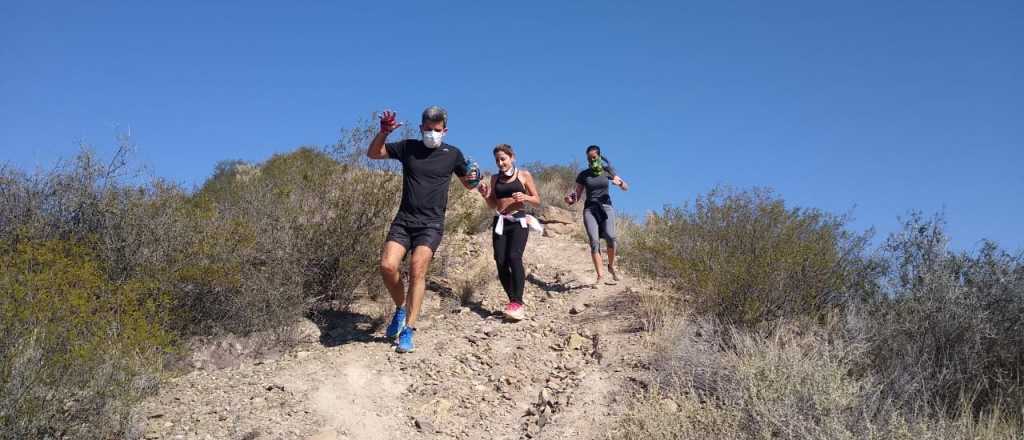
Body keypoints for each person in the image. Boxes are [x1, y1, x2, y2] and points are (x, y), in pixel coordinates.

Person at [367, 106, 481, 353]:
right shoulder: (408, 147)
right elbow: (374, 154)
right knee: (387, 266)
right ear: (421, 128)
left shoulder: (453, 154)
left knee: (417, 269)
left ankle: (409, 330)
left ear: (445, 131)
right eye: (428, 129)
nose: (432, 133)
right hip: (404, 221)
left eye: (437, 130)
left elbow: (469, 184)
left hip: (431, 224)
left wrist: (475, 176)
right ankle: (400, 309)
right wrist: (384, 132)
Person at [478, 144, 541, 321]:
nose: (500, 163)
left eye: (503, 159)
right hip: (500, 221)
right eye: (497, 160)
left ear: (512, 157)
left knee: (514, 257)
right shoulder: (495, 178)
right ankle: (512, 300)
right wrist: (485, 195)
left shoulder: (524, 175)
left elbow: (537, 200)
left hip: (518, 221)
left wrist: (525, 197)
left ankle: (517, 303)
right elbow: (493, 204)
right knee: (500, 260)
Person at [565, 145, 629, 285]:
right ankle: (600, 276)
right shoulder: (583, 175)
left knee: (611, 237)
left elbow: (626, 187)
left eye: (594, 157)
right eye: (589, 158)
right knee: (594, 242)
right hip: (590, 209)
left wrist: (619, 183)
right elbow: (577, 195)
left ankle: (611, 266)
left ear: (599, 156)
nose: (592, 160)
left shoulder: (607, 171)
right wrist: (570, 199)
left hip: (606, 207)